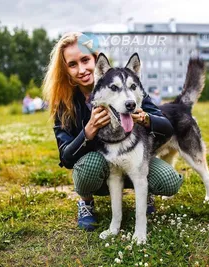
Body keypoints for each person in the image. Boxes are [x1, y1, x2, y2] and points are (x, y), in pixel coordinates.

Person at [42, 32, 183, 231]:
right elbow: (66, 158)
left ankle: (145, 191)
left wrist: (146, 118)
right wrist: (88, 131)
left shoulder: (125, 85)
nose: (81, 69)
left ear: (96, 61)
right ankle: (86, 202)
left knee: (168, 181)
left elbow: (167, 127)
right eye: (73, 64)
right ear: (65, 70)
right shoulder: (65, 104)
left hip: (134, 159)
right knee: (89, 165)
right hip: (99, 167)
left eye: (85, 60)